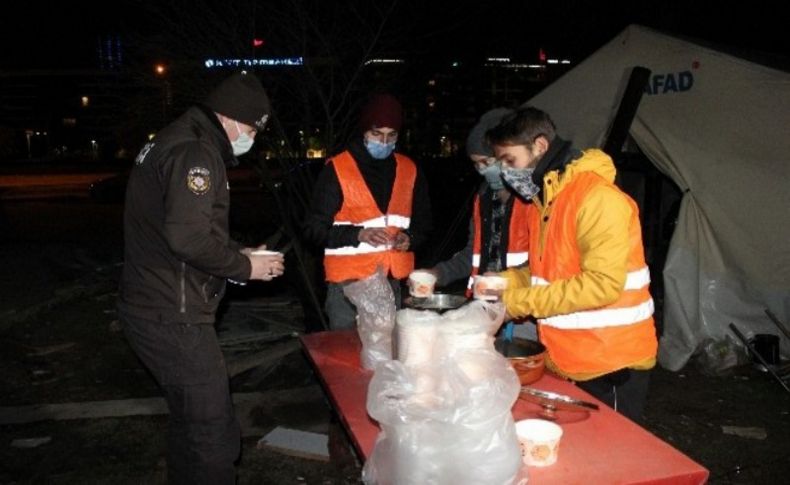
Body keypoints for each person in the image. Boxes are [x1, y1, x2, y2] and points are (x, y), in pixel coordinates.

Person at [117, 71, 284, 484]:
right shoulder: (196, 152)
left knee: (189, 423)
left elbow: (179, 228)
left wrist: (238, 252)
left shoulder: (176, 139)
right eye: (250, 129)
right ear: (229, 118)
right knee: (213, 433)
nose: (251, 139)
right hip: (174, 315)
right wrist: (247, 268)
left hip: (153, 306)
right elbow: (187, 239)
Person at [487, 106, 657, 423]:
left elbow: (601, 286)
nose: (505, 171)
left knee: (611, 461)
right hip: (571, 357)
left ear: (539, 146)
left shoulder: (597, 199)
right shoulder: (547, 200)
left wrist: (516, 303)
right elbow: (549, 273)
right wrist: (505, 282)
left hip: (611, 363)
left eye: (510, 160)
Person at [303, 93, 432, 330]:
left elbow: (424, 224)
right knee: (345, 359)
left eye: (391, 135)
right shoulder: (338, 169)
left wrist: (410, 238)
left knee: (387, 358)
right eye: (376, 134)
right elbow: (313, 230)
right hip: (347, 289)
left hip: (392, 283)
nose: (383, 142)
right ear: (363, 131)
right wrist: (358, 235)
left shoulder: (409, 169)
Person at [416, 107, 536, 340]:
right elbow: (473, 254)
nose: (483, 170)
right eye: (476, 164)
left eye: (487, 161)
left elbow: (549, 264)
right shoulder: (483, 199)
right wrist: (437, 273)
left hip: (525, 315)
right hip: (485, 309)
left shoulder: (532, 198)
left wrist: (507, 283)